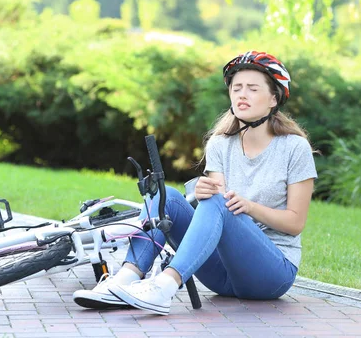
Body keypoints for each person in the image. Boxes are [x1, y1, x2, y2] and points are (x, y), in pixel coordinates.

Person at [72, 50, 317, 315]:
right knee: (164, 197)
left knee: (219, 202)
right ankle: (124, 280)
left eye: (252, 88)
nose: (242, 94)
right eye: (237, 88)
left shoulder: (294, 148)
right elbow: (216, 210)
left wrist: (248, 207)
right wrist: (203, 195)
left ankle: (165, 286)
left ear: (273, 98)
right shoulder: (221, 144)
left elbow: (295, 223)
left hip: (270, 275)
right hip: (220, 275)